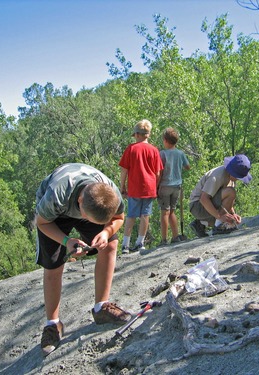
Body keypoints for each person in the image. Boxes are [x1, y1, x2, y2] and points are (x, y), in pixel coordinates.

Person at [35, 163, 131, 356]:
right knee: (53, 263)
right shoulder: (57, 194)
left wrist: (105, 232)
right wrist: (66, 241)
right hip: (53, 215)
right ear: (79, 202)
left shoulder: (112, 195)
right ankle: (53, 324)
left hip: (88, 203)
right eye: (87, 218)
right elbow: (41, 222)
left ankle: (101, 307)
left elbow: (119, 218)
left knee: (110, 243)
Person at [119, 119, 163, 254]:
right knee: (145, 215)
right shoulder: (154, 150)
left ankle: (125, 245)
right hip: (149, 188)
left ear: (137, 134)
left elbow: (124, 170)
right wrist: (155, 186)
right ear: (148, 135)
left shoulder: (131, 149)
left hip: (134, 187)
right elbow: (158, 172)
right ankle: (140, 242)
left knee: (131, 215)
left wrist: (122, 187)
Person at [189, 154, 252, 237]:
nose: (238, 179)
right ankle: (219, 227)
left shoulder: (229, 177)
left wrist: (233, 215)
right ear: (233, 173)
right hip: (197, 206)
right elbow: (204, 199)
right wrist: (219, 217)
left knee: (230, 193)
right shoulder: (217, 176)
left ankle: (200, 224)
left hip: (205, 206)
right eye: (238, 177)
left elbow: (226, 201)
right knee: (231, 192)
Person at [157, 127, 191, 245]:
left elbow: (159, 172)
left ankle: (164, 239)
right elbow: (188, 166)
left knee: (164, 212)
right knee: (172, 211)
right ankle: (175, 236)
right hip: (177, 186)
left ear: (166, 140)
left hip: (165, 185)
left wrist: (157, 186)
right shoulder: (180, 153)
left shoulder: (162, 154)